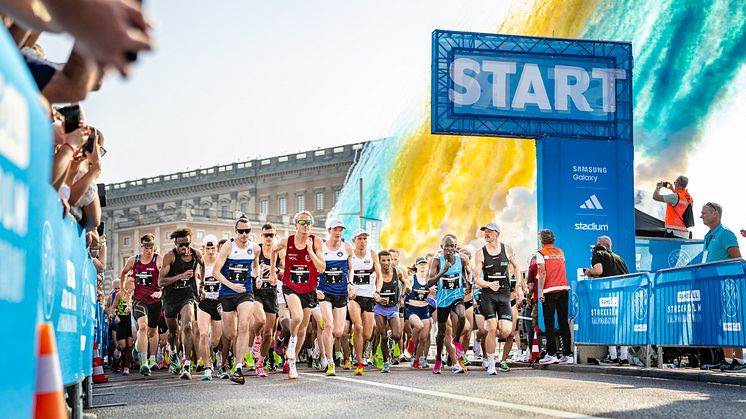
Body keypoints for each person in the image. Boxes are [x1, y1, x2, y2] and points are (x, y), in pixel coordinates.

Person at [270, 211, 325, 379]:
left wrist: (310, 250)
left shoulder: (316, 242)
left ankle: (292, 362)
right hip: (290, 286)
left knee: (302, 330)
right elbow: (273, 250)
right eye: (302, 222)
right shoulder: (287, 241)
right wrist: (273, 272)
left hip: (308, 289)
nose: (306, 225)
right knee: (298, 317)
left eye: (308, 222)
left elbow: (321, 267)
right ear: (296, 225)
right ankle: (291, 344)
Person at [213, 217, 260, 384]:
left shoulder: (255, 248)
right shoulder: (228, 246)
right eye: (241, 231)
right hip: (227, 293)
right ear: (236, 232)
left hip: (245, 292)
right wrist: (232, 286)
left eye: (247, 231)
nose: (244, 234)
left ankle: (238, 367)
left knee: (244, 324)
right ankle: (222, 356)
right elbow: (216, 272)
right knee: (230, 333)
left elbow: (255, 266)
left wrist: (257, 276)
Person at [474, 223, 523, 374]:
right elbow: (476, 279)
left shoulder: (507, 249)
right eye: (485, 232)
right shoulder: (480, 253)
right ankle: (490, 362)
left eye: (489, 231)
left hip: (505, 294)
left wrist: (519, 286)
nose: (486, 234)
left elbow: (517, 266)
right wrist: (488, 284)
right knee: (493, 328)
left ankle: (488, 335)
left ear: (497, 233)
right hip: (488, 295)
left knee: (506, 332)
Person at [700, 202, 744, 371]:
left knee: (731, 320)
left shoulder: (725, 233)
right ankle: (727, 358)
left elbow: (737, 259)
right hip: (713, 285)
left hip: (727, 285)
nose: (701, 215)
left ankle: (739, 360)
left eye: (704, 213)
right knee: (719, 322)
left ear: (715, 213)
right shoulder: (707, 236)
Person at [158, 228, 205, 380]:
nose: (183, 248)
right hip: (170, 297)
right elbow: (161, 282)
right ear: (175, 243)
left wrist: (201, 285)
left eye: (186, 244)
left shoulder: (196, 254)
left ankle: (186, 365)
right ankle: (172, 353)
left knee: (188, 326)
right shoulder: (170, 256)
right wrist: (180, 276)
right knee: (173, 333)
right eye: (180, 245)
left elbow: (203, 265)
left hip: (187, 295)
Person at [583, 236, 631, 365]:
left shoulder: (598, 253)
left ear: (600, 245)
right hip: (623, 294)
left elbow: (598, 271)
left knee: (609, 324)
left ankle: (613, 357)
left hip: (608, 295)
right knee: (622, 325)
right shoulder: (619, 258)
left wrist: (589, 272)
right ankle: (624, 357)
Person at [428, 235, 472, 374]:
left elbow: (465, 274)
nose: (449, 249)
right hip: (442, 300)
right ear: (442, 247)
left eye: (451, 246)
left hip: (457, 296)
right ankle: (438, 360)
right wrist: (443, 271)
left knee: (461, 316)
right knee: (441, 333)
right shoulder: (437, 261)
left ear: (455, 246)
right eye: (446, 246)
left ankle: (456, 340)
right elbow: (429, 282)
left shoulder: (462, 259)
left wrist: (467, 284)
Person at [119, 234, 162, 377]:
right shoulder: (134, 260)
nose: (148, 250)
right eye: (146, 247)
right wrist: (123, 288)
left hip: (155, 301)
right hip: (139, 299)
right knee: (142, 326)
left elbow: (165, 276)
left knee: (151, 332)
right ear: (141, 246)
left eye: (151, 247)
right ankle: (144, 363)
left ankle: (150, 357)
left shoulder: (158, 259)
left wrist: (161, 291)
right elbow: (123, 273)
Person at [317, 219, 353, 377]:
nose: (338, 233)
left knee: (338, 332)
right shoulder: (321, 247)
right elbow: (314, 269)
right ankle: (328, 361)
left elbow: (350, 269)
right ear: (329, 230)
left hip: (341, 293)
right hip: (325, 292)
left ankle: (322, 345)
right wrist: (315, 288)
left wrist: (350, 283)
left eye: (341, 230)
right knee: (329, 326)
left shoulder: (347, 247)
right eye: (335, 230)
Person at [346, 228, 382, 376]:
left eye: (365, 239)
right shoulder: (350, 254)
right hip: (354, 296)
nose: (362, 242)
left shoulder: (372, 254)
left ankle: (358, 347)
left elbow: (379, 277)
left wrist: (377, 291)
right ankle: (359, 362)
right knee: (358, 327)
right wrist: (349, 286)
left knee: (367, 334)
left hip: (368, 296)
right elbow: (346, 273)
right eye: (359, 239)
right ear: (354, 240)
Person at [536, 229, 573, 365]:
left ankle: (551, 354)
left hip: (550, 291)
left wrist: (541, 291)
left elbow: (543, 273)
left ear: (541, 240)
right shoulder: (560, 252)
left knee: (549, 323)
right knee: (563, 322)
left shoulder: (541, 253)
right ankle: (568, 354)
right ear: (553, 240)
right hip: (564, 289)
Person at [252, 224, 283, 377]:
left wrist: (275, 270)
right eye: (266, 235)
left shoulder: (279, 252)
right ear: (261, 236)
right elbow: (248, 268)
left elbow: (287, 270)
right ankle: (256, 339)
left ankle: (260, 363)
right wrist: (256, 275)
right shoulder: (256, 250)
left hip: (271, 293)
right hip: (256, 291)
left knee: (269, 332)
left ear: (275, 235)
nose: (269, 238)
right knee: (260, 320)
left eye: (271, 235)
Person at [373, 250, 407, 373]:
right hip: (379, 309)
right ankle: (386, 362)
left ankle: (390, 336)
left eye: (389, 260)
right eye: (384, 260)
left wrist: (401, 296)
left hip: (393, 308)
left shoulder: (397, 272)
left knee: (397, 335)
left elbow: (404, 283)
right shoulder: (376, 274)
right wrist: (377, 297)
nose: (387, 263)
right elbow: (371, 289)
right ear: (379, 261)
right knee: (382, 336)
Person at [196, 234, 222, 381]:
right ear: (203, 248)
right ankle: (207, 367)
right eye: (207, 248)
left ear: (216, 248)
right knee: (203, 334)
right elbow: (194, 278)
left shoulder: (221, 260)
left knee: (215, 340)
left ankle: (211, 353)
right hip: (204, 302)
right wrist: (199, 290)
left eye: (212, 248)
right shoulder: (200, 262)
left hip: (218, 302)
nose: (210, 251)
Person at [405, 257, 432, 368]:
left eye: (424, 264)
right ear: (416, 266)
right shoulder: (412, 278)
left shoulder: (429, 280)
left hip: (424, 309)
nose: (422, 266)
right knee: (419, 326)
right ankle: (411, 342)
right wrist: (407, 289)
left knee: (424, 338)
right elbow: (405, 288)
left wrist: (431, 294)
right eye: (420, 264)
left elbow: (431, 298)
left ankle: (416, 360)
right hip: (413, 309)